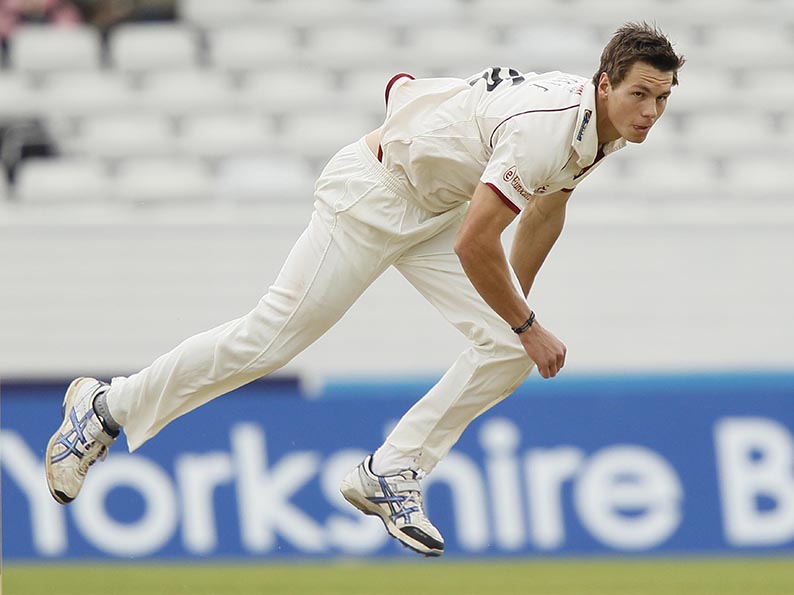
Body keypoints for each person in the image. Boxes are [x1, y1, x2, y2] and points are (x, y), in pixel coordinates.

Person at [45, 22, 685, 557]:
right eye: (640, 95)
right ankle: (103, 411)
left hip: (436, 207)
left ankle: (389, 472)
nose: (651, 112)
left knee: (508, 345)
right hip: (373, 195)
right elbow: (476, 244)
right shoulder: (546, 129)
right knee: (267, 341)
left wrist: (519, 313)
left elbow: (547, 209)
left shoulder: (599, 128)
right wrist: (526, 322)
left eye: (662, 98)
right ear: (605, 83)